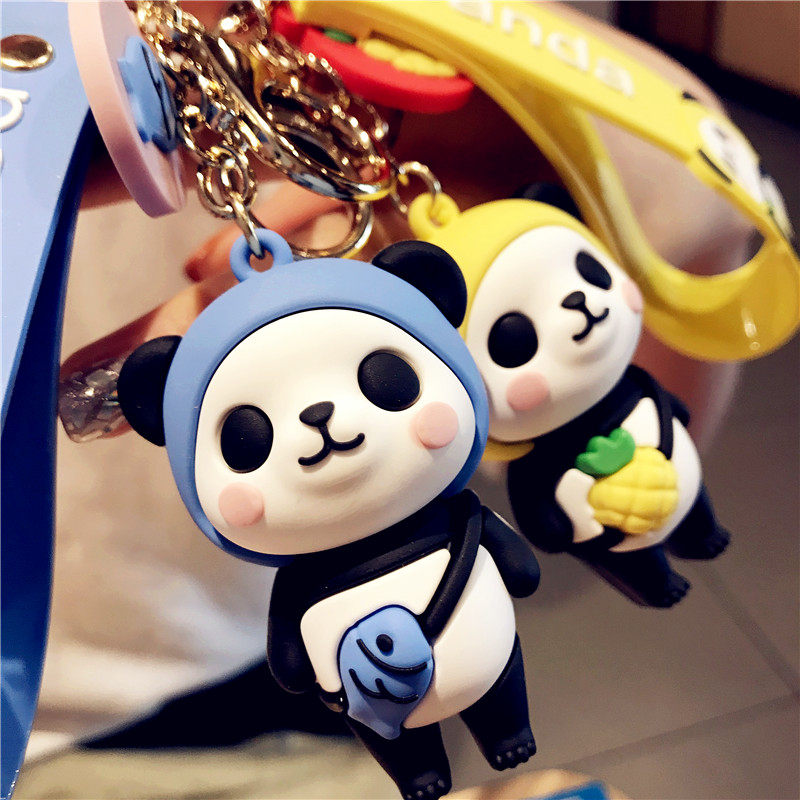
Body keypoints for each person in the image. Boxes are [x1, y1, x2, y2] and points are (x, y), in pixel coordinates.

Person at [38, 0, 747, 771]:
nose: (324, 423)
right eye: (246, 439)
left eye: (386, 385)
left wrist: (677, 180)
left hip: (239, 685)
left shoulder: (378, 56)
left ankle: (490, 736)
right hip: (99, 685)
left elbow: (566, 490)